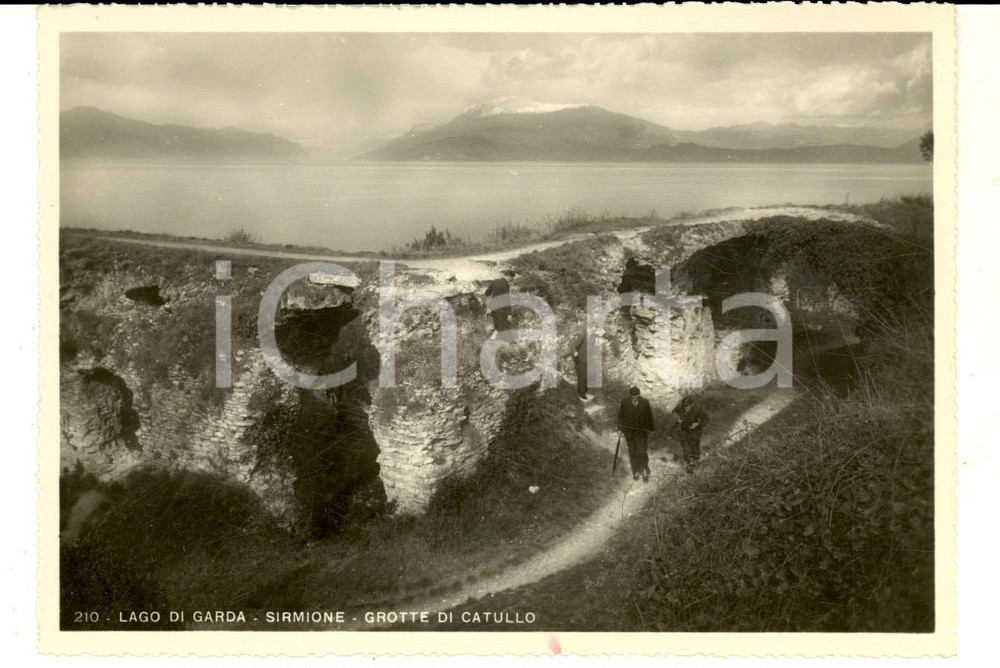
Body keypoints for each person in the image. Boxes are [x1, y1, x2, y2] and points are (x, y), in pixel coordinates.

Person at [617, 386, 654, 482]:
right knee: (632, 452)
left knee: (641, 451)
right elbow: (620, 416)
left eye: (636, 397)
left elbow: (649, 416)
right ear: (630, 395)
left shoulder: (645, 402)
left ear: (639, 395)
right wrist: (620, 429)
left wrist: (651, 429)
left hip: (641, 432)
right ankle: (636, 471)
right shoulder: (624, 401)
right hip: (629, 432)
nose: (634, 399)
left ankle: (645, 470)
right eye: (633, 397)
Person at [672, 395, 710, 473]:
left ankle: (696, 465)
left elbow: (706, 419)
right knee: (686, 449)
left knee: (695, 450)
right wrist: (677, 420)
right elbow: (673, 415)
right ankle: (689, 466)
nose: (686, 410)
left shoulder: (698, 409)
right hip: (683, 431)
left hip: (694, 432)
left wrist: (697, 424)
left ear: (692, 405)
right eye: (685, 408)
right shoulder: (679, 408)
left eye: (688, 408)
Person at [484, 269, 514, 336]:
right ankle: (492, 340)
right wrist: (509, 314)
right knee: (500, 328)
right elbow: (507, 300)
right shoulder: (506, 285)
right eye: (511, 279)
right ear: (509, 276)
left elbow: (487, 293)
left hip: (493, 307)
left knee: (497, 325)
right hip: (501, 309)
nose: (510, 281)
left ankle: (494, 337)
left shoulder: (495, 281)